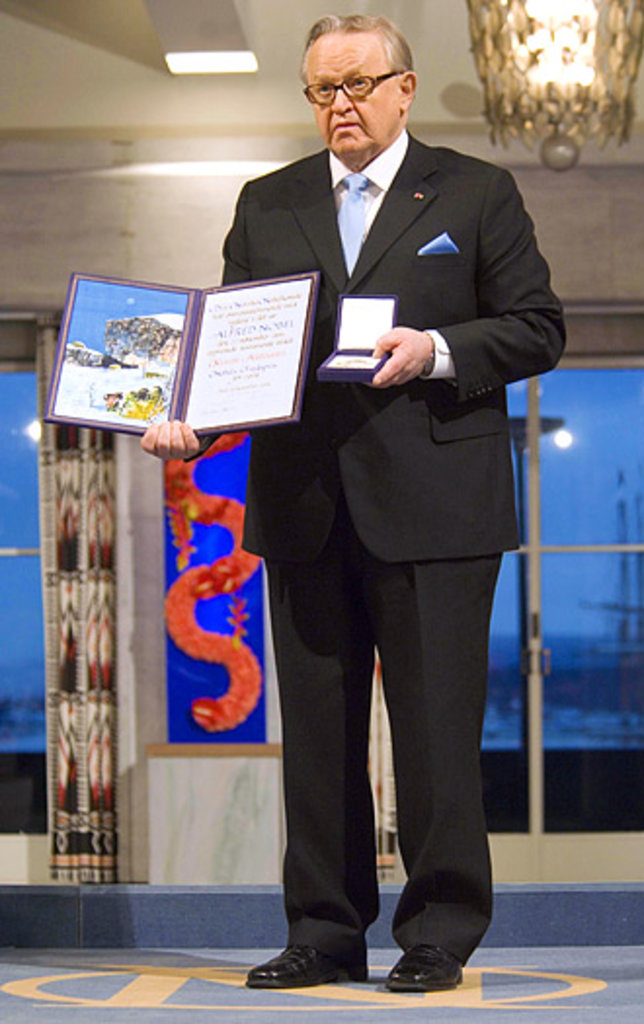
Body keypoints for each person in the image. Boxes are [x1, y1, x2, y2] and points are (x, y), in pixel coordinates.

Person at [142, 13, 565, 993]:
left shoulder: (474, 191)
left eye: (354, 85)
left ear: (403, 88)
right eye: (318, 91)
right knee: (318, 747)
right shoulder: (267, 203)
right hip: (303, 506)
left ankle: (437, 935)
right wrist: (190, 424)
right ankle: (322, 933)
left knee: (432, 739)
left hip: (437, 513)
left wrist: (437, 349)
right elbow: (239, 351)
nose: (336, 105)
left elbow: (537, 326)